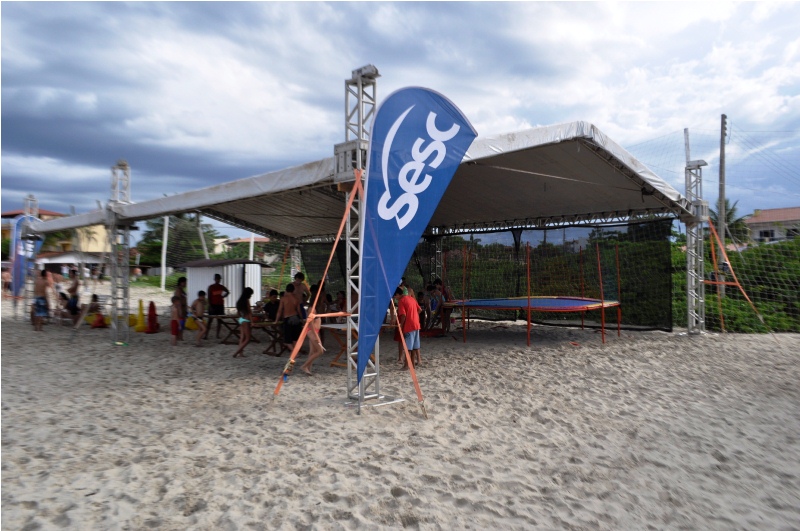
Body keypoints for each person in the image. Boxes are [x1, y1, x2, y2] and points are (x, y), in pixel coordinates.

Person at [299, 284, 327, 376]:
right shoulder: (312, 308)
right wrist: (316, 335)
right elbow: (310, 323)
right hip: (312, 331)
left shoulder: (317, 308)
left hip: (314, 331)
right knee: (320, 351)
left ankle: (308, 368)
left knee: (312, 352)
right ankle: (304, 366)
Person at [397, 285, 422, 368]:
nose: (395, 298)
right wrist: (414, 315)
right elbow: (420, 309)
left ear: (398, 294)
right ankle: (413, 364)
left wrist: (401, 325)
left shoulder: (401, 301)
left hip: (409, 325)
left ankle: (406, 365)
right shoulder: (412, 299)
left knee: (408, 347)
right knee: (414, 347)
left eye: (395, 296)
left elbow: (403, 315)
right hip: (416, 324)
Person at [275, 283, 303, 353]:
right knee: (295, 338)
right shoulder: (296, 299)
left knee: (287, 340)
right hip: (296, 317)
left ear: (286, 290)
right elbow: (299, 311)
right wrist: (302, 319)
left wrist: (276, 320)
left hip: (287, 318)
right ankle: (296, 352)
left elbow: (279, 310)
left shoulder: (283, 299)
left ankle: (294, 353)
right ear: (293, 290)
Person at [232, 287, 254, 358]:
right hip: (246, 320)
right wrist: (252, 322)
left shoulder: (239, 301)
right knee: (247, 339)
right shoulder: (246, 300)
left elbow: (238, 313)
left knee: (242, 337)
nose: (251, 296)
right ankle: (237, 352)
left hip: (241, 319)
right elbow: (249, 312)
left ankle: (240, 353)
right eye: (251, 294)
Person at [206, 274, 229, 339]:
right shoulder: (211, 287)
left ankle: (217, 335)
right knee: (210, 320)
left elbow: (227, 292)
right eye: (217, 279)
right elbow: (209, 297)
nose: (218, 280)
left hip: (220, 305)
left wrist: (223, 296)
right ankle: (206, 335)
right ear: (215, 279)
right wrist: (210, 306)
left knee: (219, 321)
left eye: (219, 279)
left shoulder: (221, 287)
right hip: (213, 305)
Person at [174, 276, 188, 341]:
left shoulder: (182, 290)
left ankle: (181, 336)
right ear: (181, 282)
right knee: (180, 323)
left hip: (183, 307)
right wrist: (180, 310)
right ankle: (178, 337)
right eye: (185, 282)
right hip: (180, 307)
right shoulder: (178, 290)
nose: (186, 284)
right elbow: (178, 301)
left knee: (183, 323)